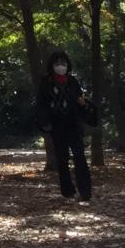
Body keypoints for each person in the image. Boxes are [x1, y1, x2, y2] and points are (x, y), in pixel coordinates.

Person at [35, 49, 92, 202]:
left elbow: (81, 101)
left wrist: (82, 104)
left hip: (73, 124)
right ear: (52, 65)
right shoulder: (45, 82)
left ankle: (85, 191)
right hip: (56, 126)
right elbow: (41, 104)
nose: (61, 66)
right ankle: (68, 191)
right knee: (62, 158)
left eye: (63, 63)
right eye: (57, 63)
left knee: (79, 156)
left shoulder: (73, 81)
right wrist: (45, 123)